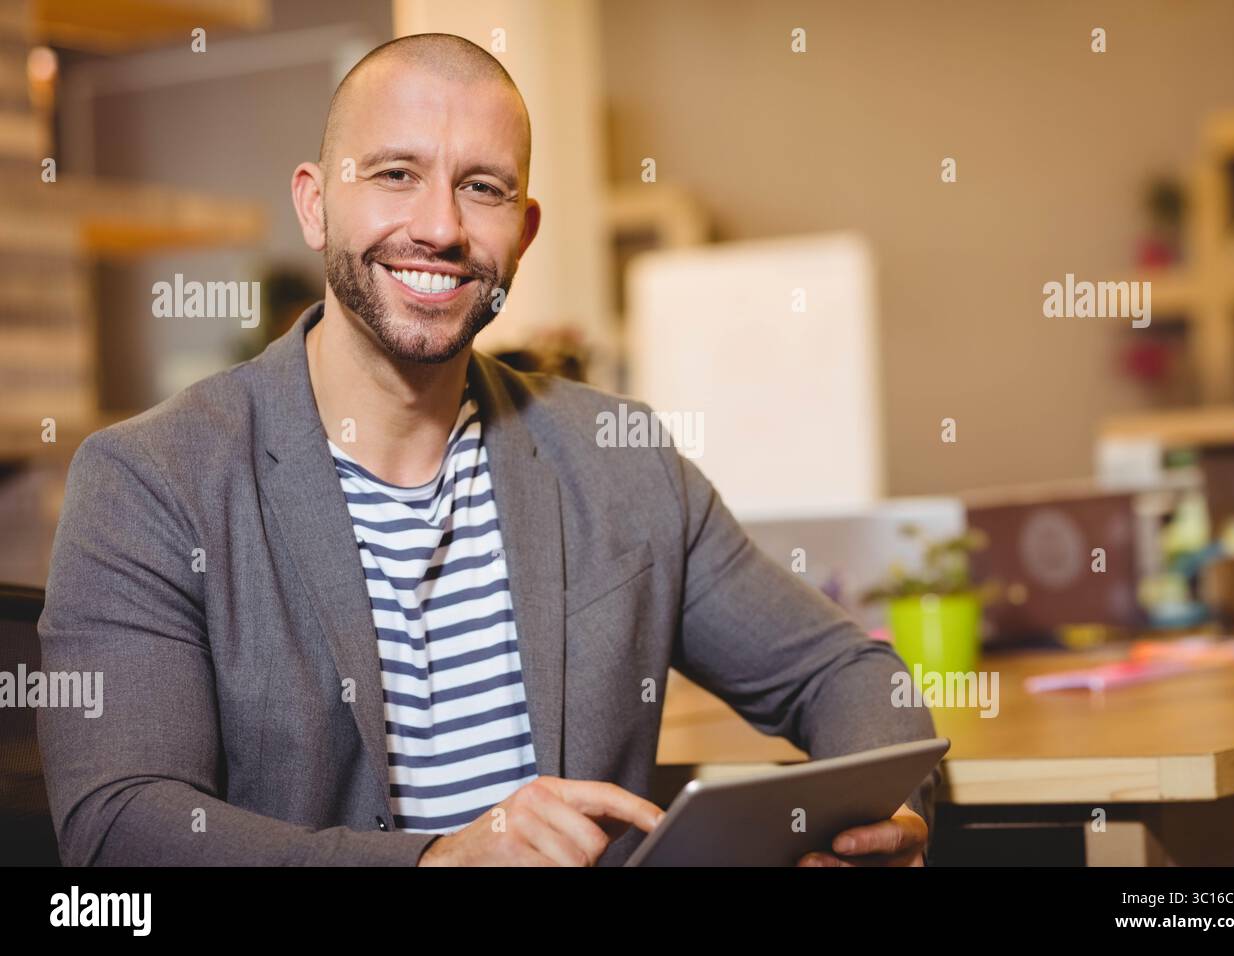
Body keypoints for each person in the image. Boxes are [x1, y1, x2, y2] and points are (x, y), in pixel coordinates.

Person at [37, 33, 939, 867]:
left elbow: (847, 674)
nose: (440, 227)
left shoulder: (619, 459)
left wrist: (890, 815)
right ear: (314, 204)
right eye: (395, 173)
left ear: (525, 232)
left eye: (484, 187)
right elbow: (121, 824)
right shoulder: (151, 481)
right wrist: (435, 864)